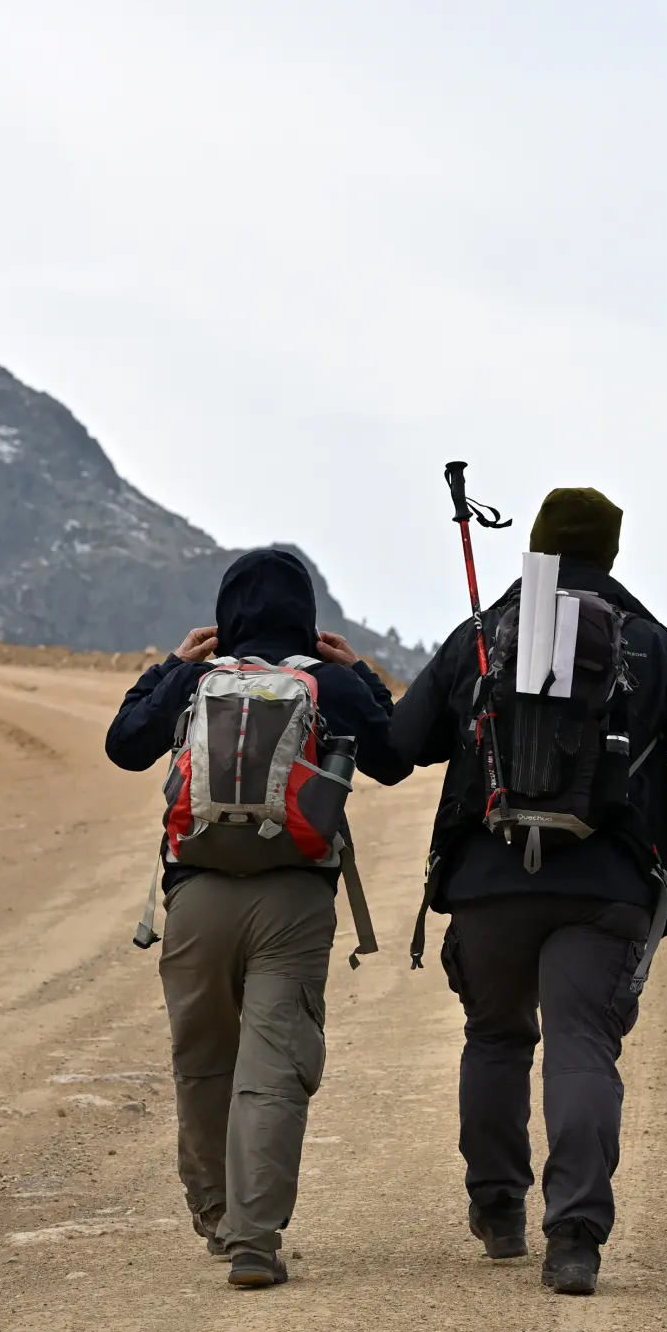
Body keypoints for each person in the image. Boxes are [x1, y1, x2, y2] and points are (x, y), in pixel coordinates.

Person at [391, 488, 667, 1295]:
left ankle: (499, 1210)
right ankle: (575, 1240)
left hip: (489, 881)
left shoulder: (486, 635)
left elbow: (402, 744)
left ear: (537, 549)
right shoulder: (644, 641)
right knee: (582, 1046)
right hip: (607, 884)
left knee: (497, 1038)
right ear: (611, 554)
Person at [106, 547, 410, 1288]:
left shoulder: (196, 677)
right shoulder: (327, 681)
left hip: (197, 896)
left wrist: (169, 666)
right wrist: (360, 673)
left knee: (205, 1059)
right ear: (305, 612)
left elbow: (124, 746)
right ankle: (253, 1237)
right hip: (294, 898)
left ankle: (215, 1211)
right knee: (273, 1066)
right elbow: (398, 757)